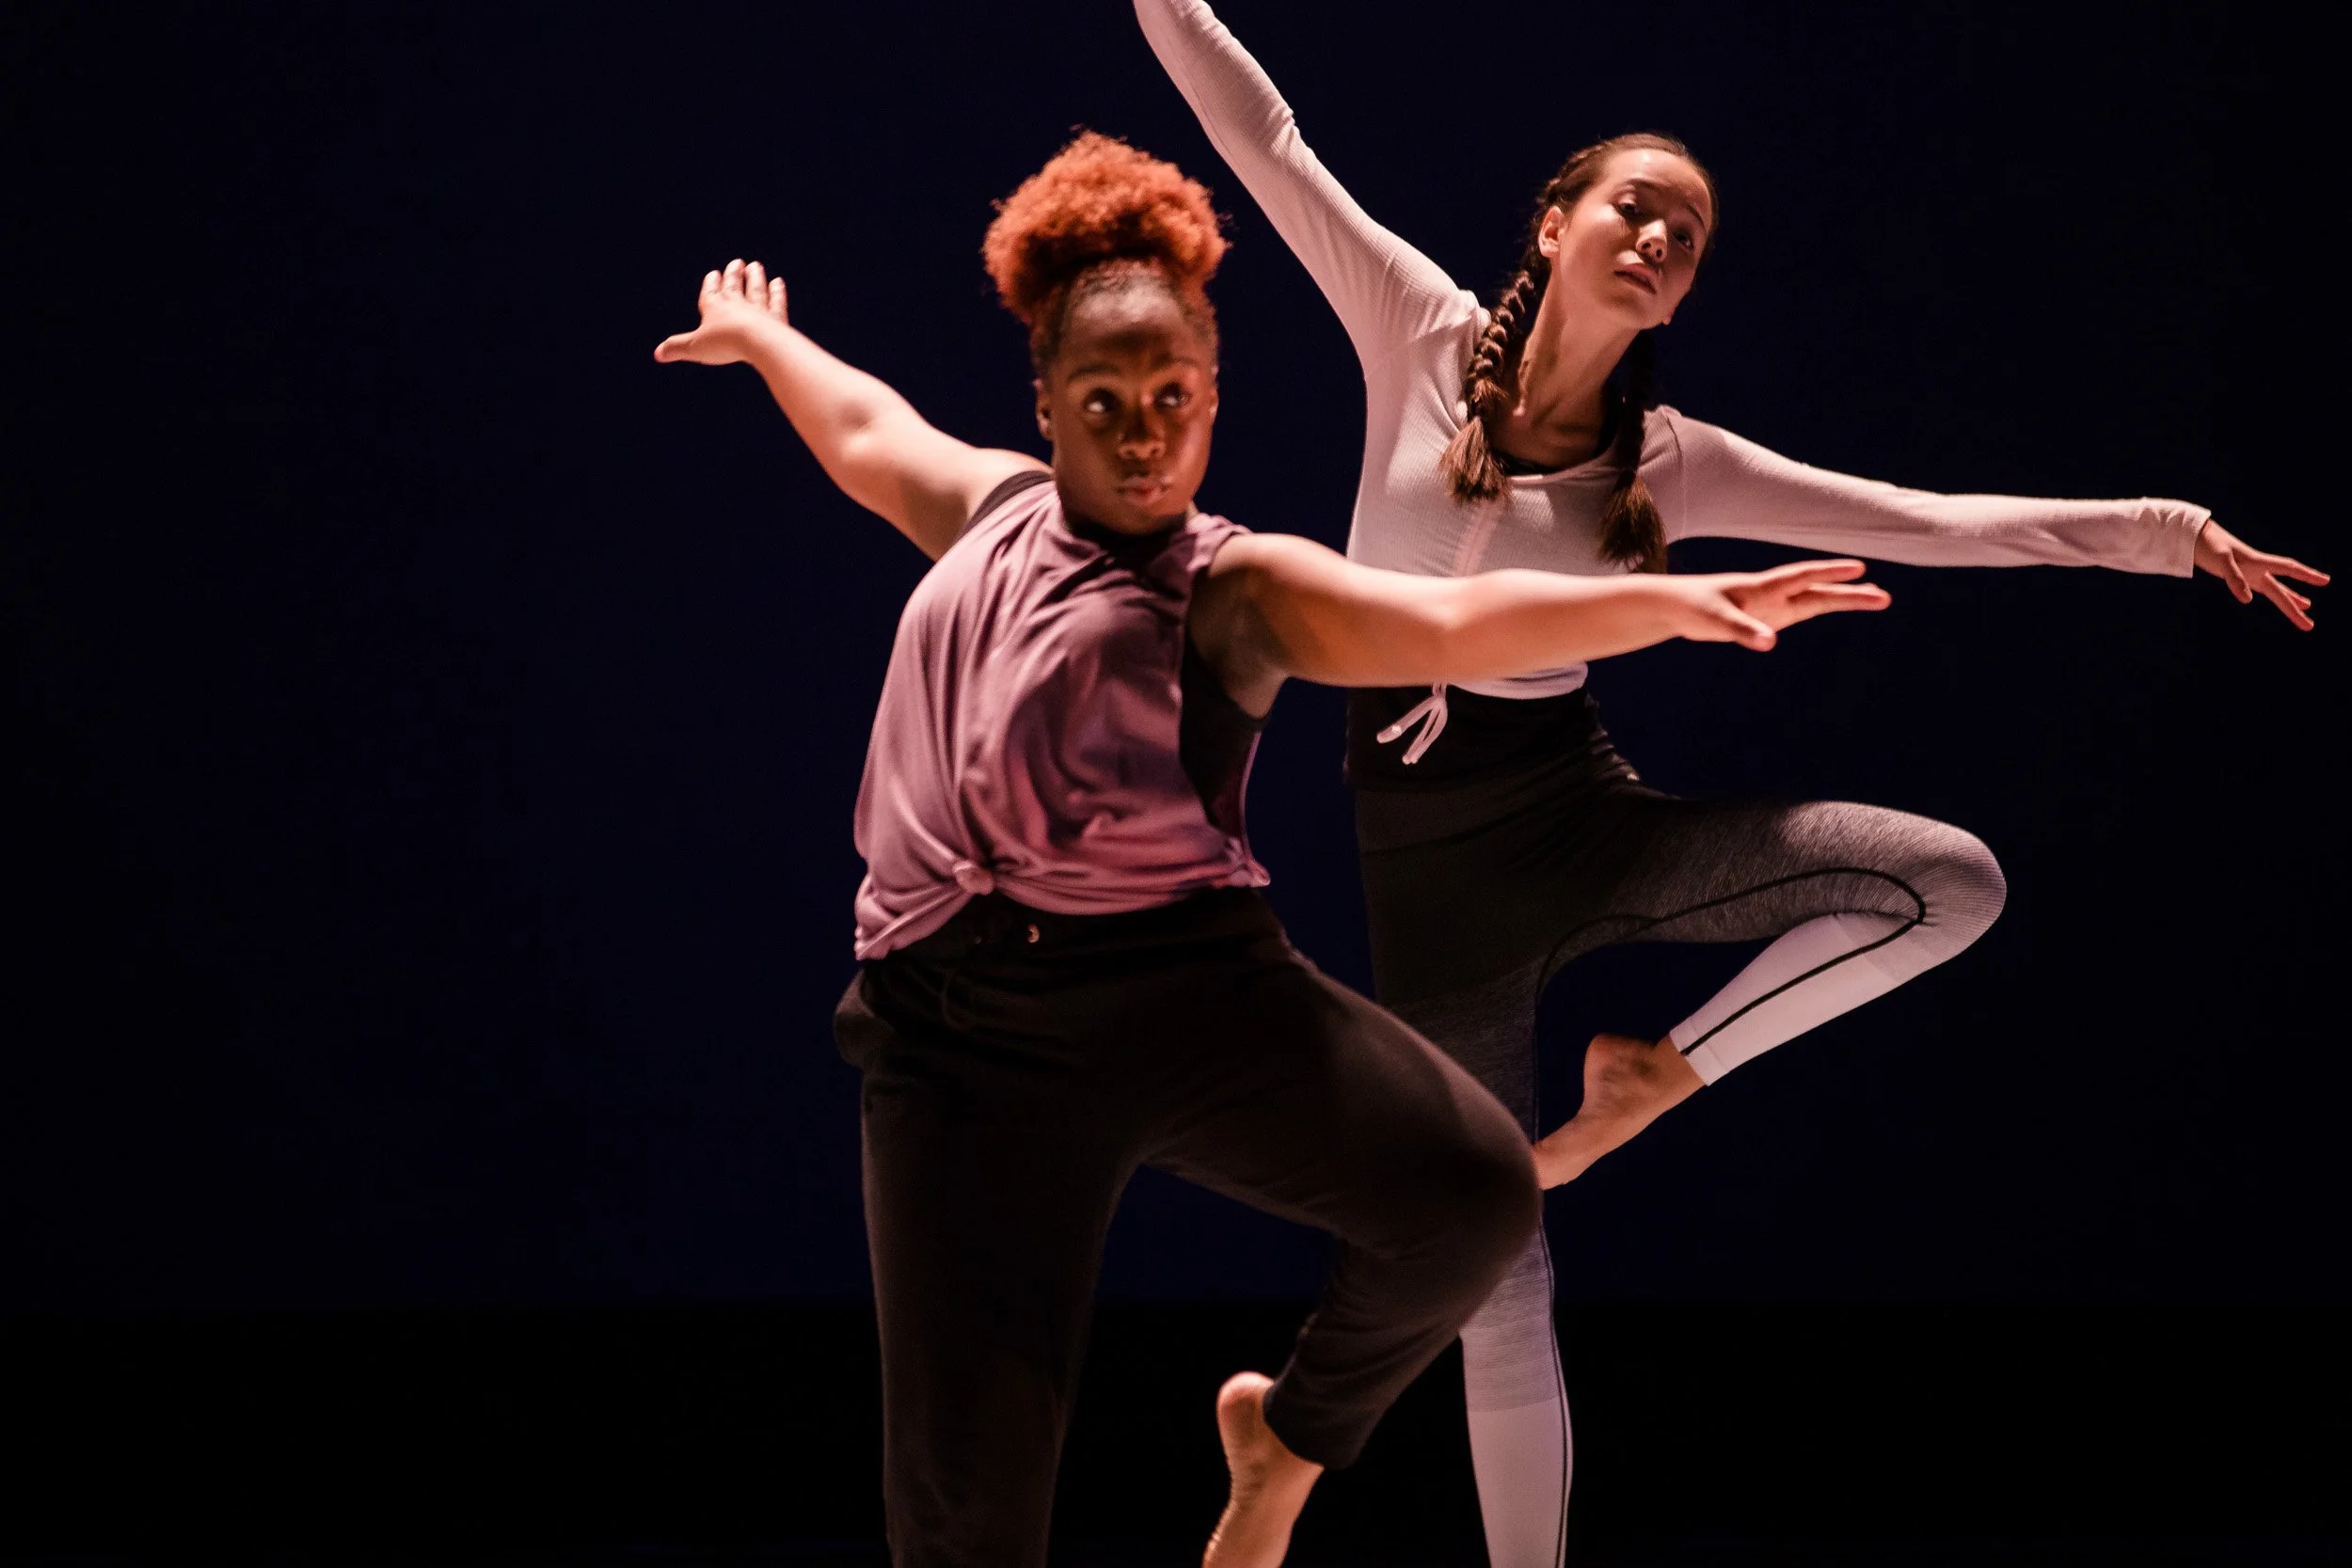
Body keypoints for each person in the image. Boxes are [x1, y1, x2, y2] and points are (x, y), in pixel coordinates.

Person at [1131, 3, 2330, 1564]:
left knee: (1948, 881)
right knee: (1500, 1259)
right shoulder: (1412, 328)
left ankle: (1658, 1078)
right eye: (1634, 205)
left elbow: (1934, 520)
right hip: (1433, 890)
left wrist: (2172, 528)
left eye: (1685, 235)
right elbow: (1265, 141)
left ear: (1682, 291)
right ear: (1556, 224)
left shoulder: (1672, 465)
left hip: (1577, 815)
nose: (1656, 236)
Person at [653, 131, 1888, 1567]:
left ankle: (1285, 1446)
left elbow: (1447, 626)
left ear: (1214, 407)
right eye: (1101, 401)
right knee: (963, 1514)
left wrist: (1669, 608)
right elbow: (865, 429)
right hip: (960, 1045)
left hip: (1190, 992)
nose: (1138, 433)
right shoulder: (987, 510)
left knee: (1474, 1195)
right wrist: (762, 342)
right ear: (1044, 407)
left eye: (1171, 400)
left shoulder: (1238, 586)